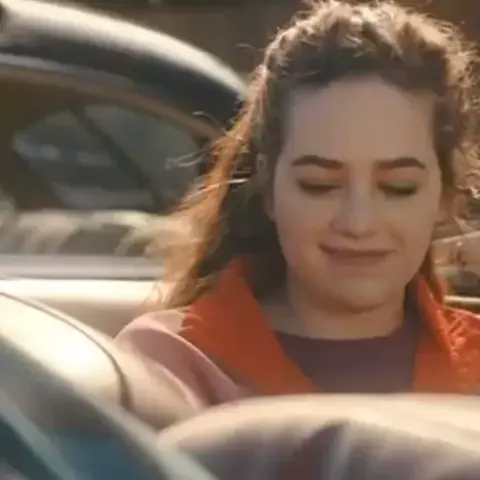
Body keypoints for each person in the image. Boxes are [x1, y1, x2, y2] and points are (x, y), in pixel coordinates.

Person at [116, 0, 480, 410]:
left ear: (444, 195)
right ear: (268, 187)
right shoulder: (174, 365)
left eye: (398, 188)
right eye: (319, 185)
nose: (359, 222)